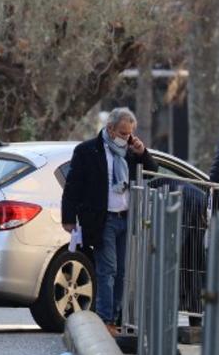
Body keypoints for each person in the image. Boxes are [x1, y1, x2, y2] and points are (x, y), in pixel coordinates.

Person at [61, 107, 158, 336]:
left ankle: (115, 316)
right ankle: (106, 319)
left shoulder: (132, 153)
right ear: (110, 128)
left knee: (123, 271)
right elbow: (73, 186)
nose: (126, 137)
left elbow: (152, 171)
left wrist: (142, 151)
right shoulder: (87, 151)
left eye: (130, 133)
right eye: (122, 133)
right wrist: (68, 218)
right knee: (108, 269)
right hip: (102, 219)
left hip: (127, 218)